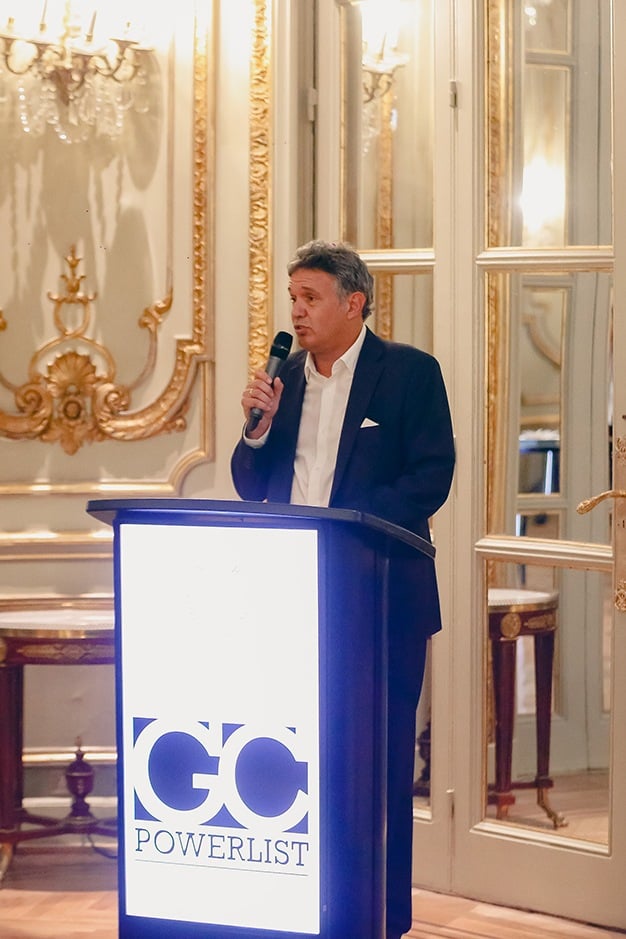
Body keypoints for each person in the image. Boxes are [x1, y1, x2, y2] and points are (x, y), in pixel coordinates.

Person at [231, 240, 455, 939]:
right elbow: (251, 484)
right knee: (298, 755)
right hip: (293, 595)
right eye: (292, 298)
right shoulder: (285, 381)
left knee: (379, 761)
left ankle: (381, 917)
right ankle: (304, 907)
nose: (296, 311)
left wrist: (347, 524)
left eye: (311, 297)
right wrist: (257, 432)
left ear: (354, 303)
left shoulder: (410, 373)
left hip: (380, 596)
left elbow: (431, 475)